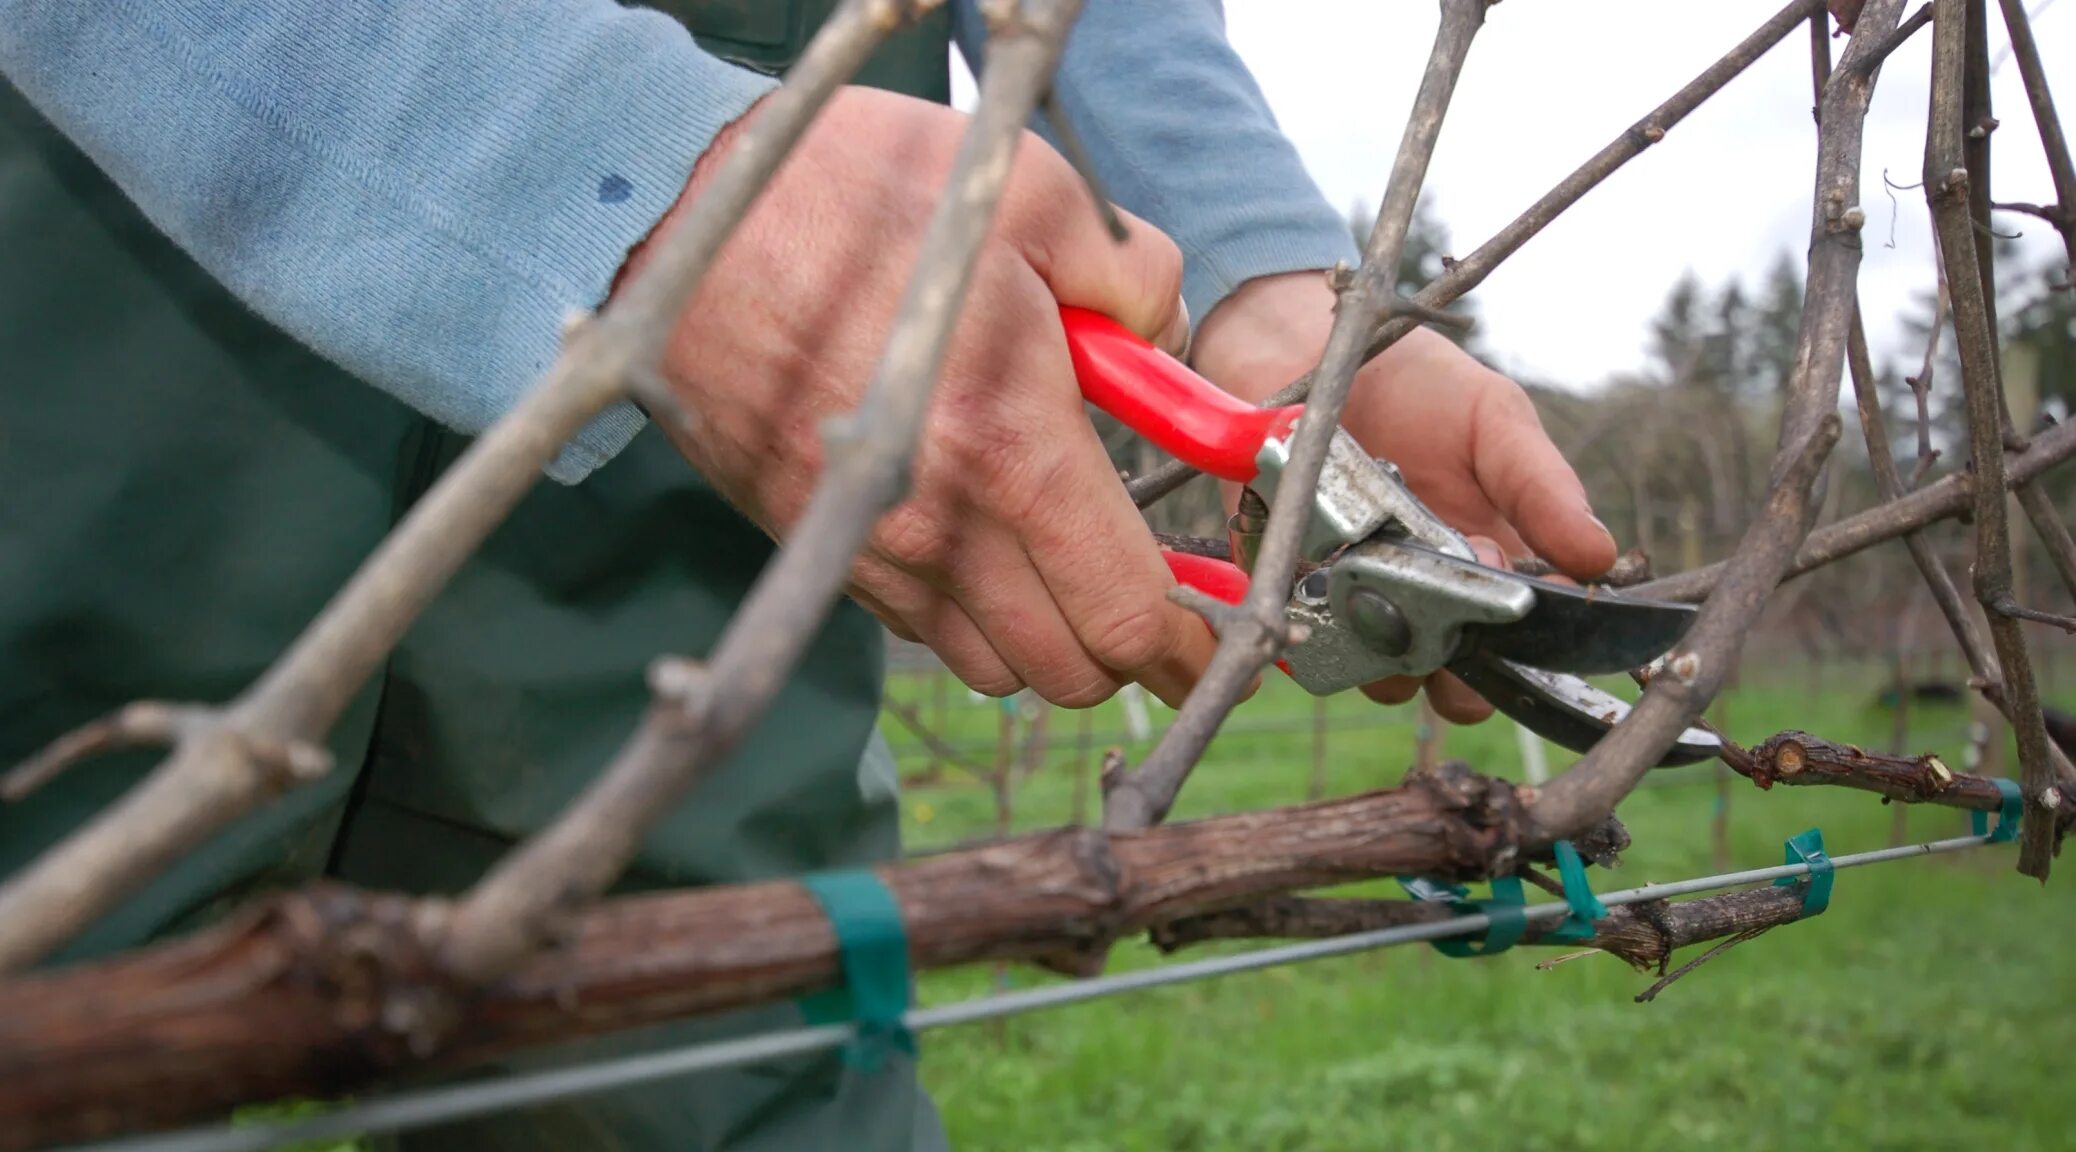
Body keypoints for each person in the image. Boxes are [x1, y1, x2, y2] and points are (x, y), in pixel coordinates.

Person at [0, 1, 1616, 1148]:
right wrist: (623, 171)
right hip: (111, 250)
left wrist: (1265, 262)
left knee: (747, 1080)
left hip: (736, 448)